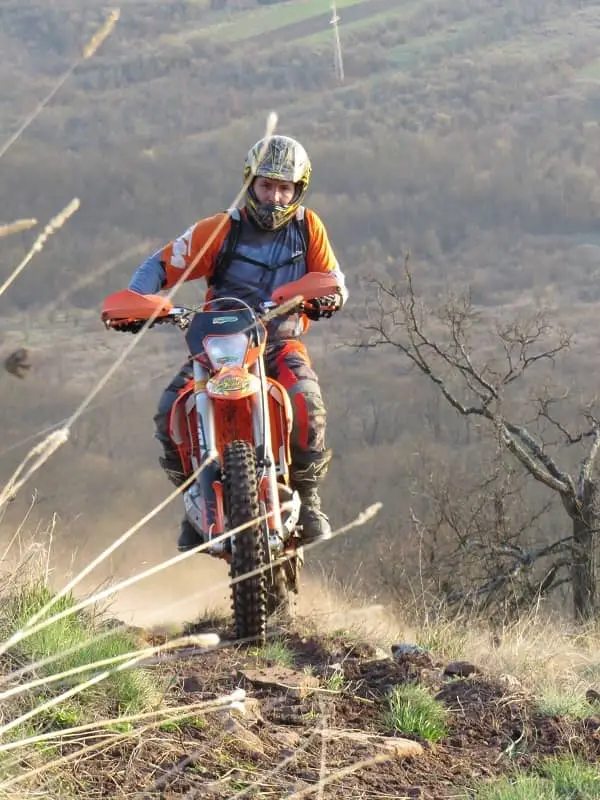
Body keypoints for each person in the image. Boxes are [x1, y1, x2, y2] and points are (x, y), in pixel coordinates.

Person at [108, 135, 348, 551]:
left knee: (307, 402)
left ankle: (307, 502)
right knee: (170, 412)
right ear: (249, 183)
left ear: (297, 190)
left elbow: (333, 279)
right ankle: (194, 503)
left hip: (278, 343)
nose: (274, 197)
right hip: (218, 347)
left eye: (284, 188)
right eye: (266, 185)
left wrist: (330, 295)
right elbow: (161, 264)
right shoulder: (219, 229)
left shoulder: (308, 228)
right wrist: (139, 300)